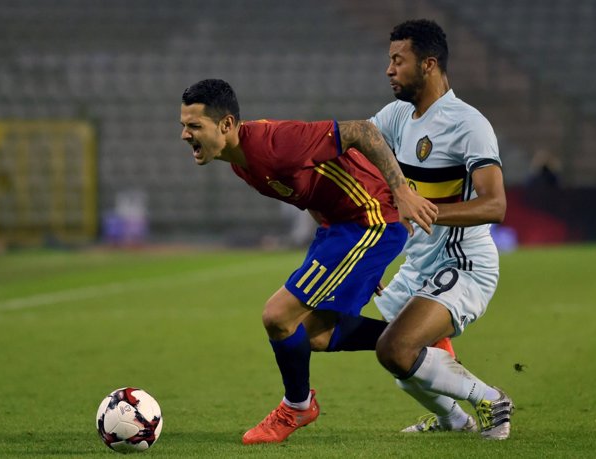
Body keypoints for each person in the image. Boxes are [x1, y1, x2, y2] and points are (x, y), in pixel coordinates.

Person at [180, 78, 438, 445]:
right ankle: (415, 341)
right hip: (343, 229)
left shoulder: (274, 144)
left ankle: (297, 406)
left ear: (225, 125)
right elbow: (312, 187)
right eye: (183, 126)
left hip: (370, 219)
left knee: (278, 316)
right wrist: (354, 266)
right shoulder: (240, 162)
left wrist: (402, 191)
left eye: (194, 126)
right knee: (315, 335)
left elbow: (362, 131)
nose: (185, 135)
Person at [369, 19, 515, 440]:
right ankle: (453, 420)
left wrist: (423, 210)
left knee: (396, 349)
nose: (389, 69)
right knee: (405, 362)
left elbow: (495, 205)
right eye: (389, 60)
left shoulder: (468, 124)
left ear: (428, 64)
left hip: (464, 264)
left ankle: (492, 400)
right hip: (419, 264)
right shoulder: (396, 116)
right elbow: (363, 156)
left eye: (399, 60)